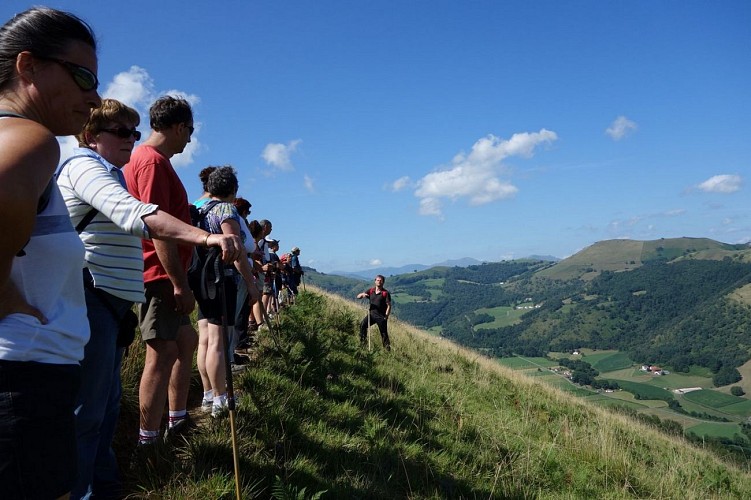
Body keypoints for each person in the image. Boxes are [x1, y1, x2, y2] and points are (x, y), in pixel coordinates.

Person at [57, 99, 242, 498]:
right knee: (93, 408)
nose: (130, 139)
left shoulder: (118, 171)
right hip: (104, 291)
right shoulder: (92, 167)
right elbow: (142, 217)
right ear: (91, 136)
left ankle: (109, 481)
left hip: (116, 295)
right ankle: (125, 459)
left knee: (105, 404)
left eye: (134, 131)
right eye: (120, 131)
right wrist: (200, 246)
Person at [0, 7, 101, 499]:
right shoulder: (29, 138)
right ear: (28, 66)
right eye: (82, 76)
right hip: (23, 380)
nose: (95, 96)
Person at [123, 95, 200, 448]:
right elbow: (158, 227)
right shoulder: (152, 163)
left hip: (162, 274)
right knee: (162, 354)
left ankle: (177, 418)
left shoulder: (147, 159)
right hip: (159, 275)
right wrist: (178, 283)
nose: (189, 139)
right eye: (189, 131)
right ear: (179, 127)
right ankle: (148, 441)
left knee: (186, 342)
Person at [193, 167, 257, 417]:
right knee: (218, 342)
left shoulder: (198, 206)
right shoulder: (225, 210)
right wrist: (250, 282)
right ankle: (221, 398)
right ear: (233, 189)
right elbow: (236, 249)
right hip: (222, 279)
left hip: (201, 278)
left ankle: (208, 394)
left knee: (205, 340)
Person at [356, 275, 392, 351]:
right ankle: (363, 345)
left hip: (381, 317)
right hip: (371, 315)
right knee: (362, 325)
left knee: (383, 334)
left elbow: (389, 305)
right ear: (375, 281)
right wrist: (362, 295)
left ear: (383, 282)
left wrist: (386, 316)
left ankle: (387, 350)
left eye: (381, 280)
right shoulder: (371, 291)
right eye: (378, 280)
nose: (379, 281)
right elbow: (358, 296)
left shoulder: (385, 293)